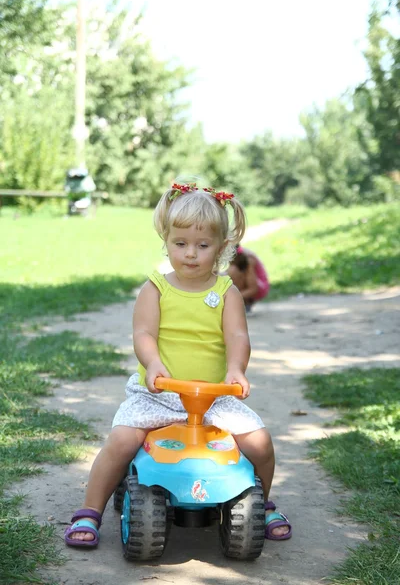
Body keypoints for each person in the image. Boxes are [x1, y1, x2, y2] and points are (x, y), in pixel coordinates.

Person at [64, 179, 292, 547]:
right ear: (166, 240)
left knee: (260, 443)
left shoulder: (226, 292)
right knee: (122, 440)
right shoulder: (156, 288)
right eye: (180, 243)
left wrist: (237, 368)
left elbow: (237, 337)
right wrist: (152, 364)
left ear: (221, 247)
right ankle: (89, 511)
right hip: (159, 393)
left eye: (203, 245)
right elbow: (143, 334)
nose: (190, 253)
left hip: (213, 397)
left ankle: (263, 505)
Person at [228, 245, 270, 312]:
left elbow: (253, 289)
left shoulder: (247, 258)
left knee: (232, 271)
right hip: (249, 287)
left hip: (260, 287)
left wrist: (230, 298)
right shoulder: (236, 257)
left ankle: (244, 304)